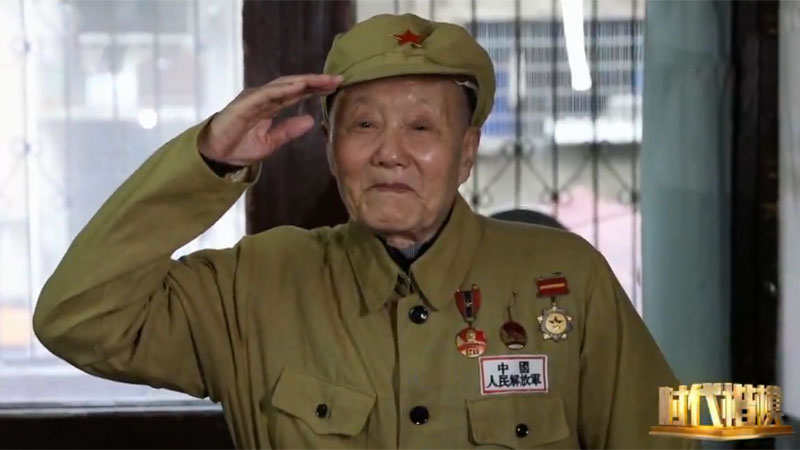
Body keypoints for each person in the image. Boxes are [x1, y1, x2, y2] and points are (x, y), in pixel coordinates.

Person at [33, 13, 688, 449]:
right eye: (364, 125)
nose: (389, 153)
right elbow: (78, 319)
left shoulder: (565, 278)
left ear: (466, 152)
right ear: (330, 146)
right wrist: (206, 164)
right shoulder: (255, 283)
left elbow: (668, 433)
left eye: (422, 128)